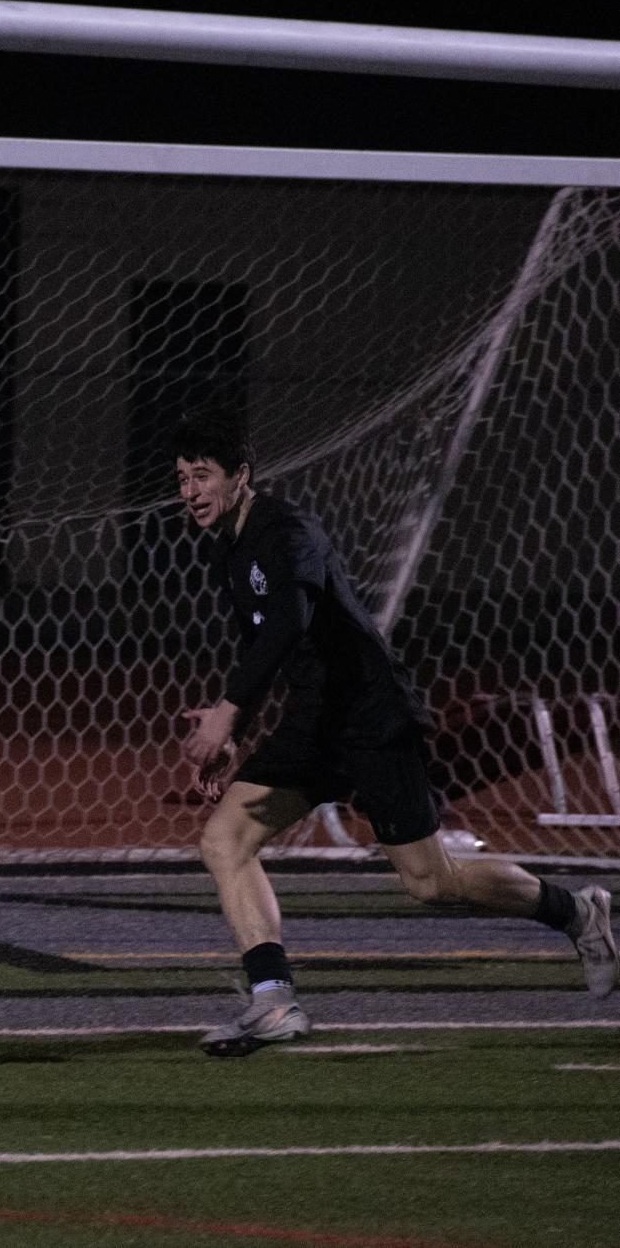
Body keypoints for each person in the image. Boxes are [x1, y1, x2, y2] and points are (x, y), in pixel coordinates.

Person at [173, 411, 616, 1057]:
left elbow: (288, 624)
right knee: (224, 839)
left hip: (369, 715)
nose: (189, 491)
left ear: (240, 476)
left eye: (201, 476)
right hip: (313, 719)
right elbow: (262, 639)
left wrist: (226, 712)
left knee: (430, 883)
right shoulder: (228, 547)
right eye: (182, 478)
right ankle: (272, 1002)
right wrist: (233, 729)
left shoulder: (287, 530)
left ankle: (576, 913)